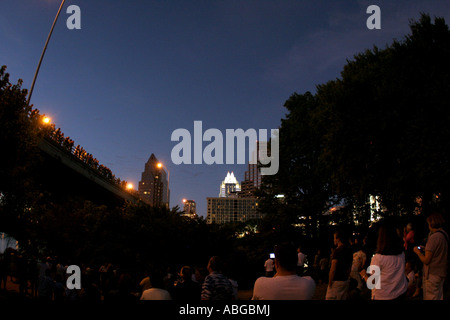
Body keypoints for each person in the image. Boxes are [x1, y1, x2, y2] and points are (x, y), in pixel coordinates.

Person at [360, 222, 408, 300]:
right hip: (400, 292)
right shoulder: (401, 254)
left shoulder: (378, 258)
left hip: (383, 296)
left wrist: (364, 275)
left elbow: (372, 283)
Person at [414, 212, 448, 300]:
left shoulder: (434, 237)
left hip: (432, 273)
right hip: (441, 272)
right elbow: (438, 251)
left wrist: (418, 252)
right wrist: (426, 249)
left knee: (431, 296)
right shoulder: (444, 235)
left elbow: (426, 260)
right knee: (439, 296)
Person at [326, 230, 353, 300]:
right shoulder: (349, 250)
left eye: (334, 238)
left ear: (338, 239)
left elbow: (333, 269)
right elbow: (350, 265)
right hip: (345, 280)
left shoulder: (337, 251)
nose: (333, 240)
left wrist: (329, 282)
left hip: (336, 281)